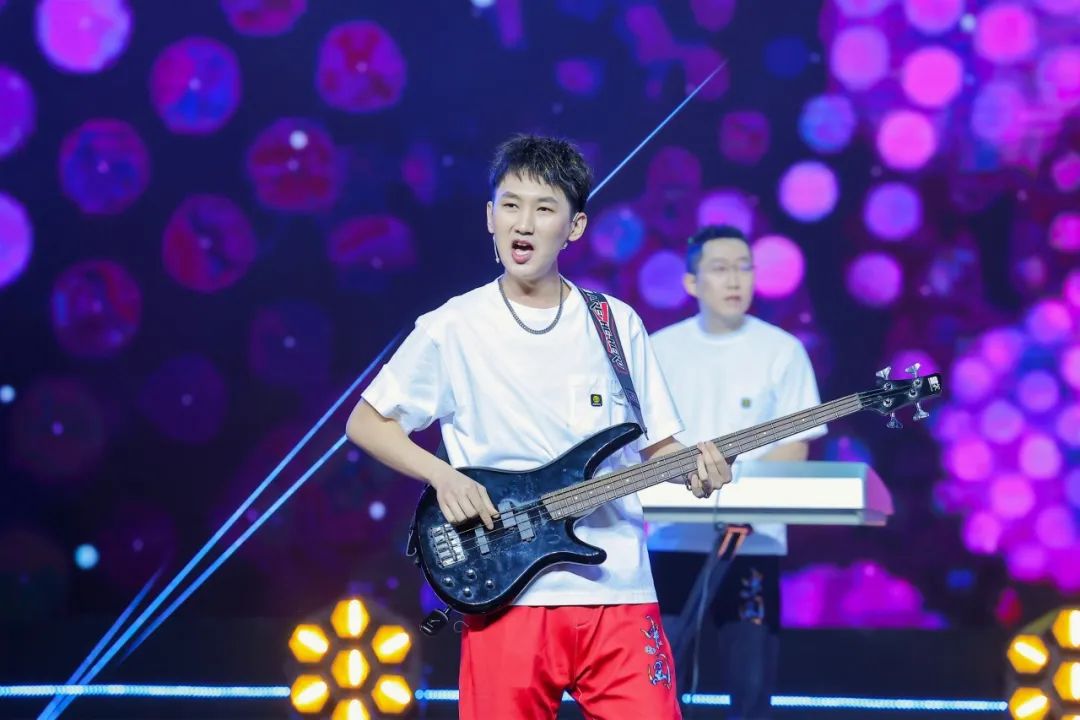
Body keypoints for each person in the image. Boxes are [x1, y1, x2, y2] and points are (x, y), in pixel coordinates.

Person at [345, 134, 732, 720]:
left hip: (619, 592)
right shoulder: (453, 326)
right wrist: (442, 477)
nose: (523, 223)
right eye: (511, 205)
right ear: (490, 217)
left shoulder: (615, 323)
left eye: (544, 208)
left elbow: (658, 448)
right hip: (505, 593)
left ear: (575, 227)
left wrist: (696, 471)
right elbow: (367, 422)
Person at [649, 224, 827, 719]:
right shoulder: (658, 350)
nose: (735, 279)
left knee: (751, 686)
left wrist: (741, 495)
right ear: (691, 282)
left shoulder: (782, 350)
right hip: (672, 539)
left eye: (744, 268)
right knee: (659, 683)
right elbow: (645, 443)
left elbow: (795, 446)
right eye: (721, 268)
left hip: (754, 543)